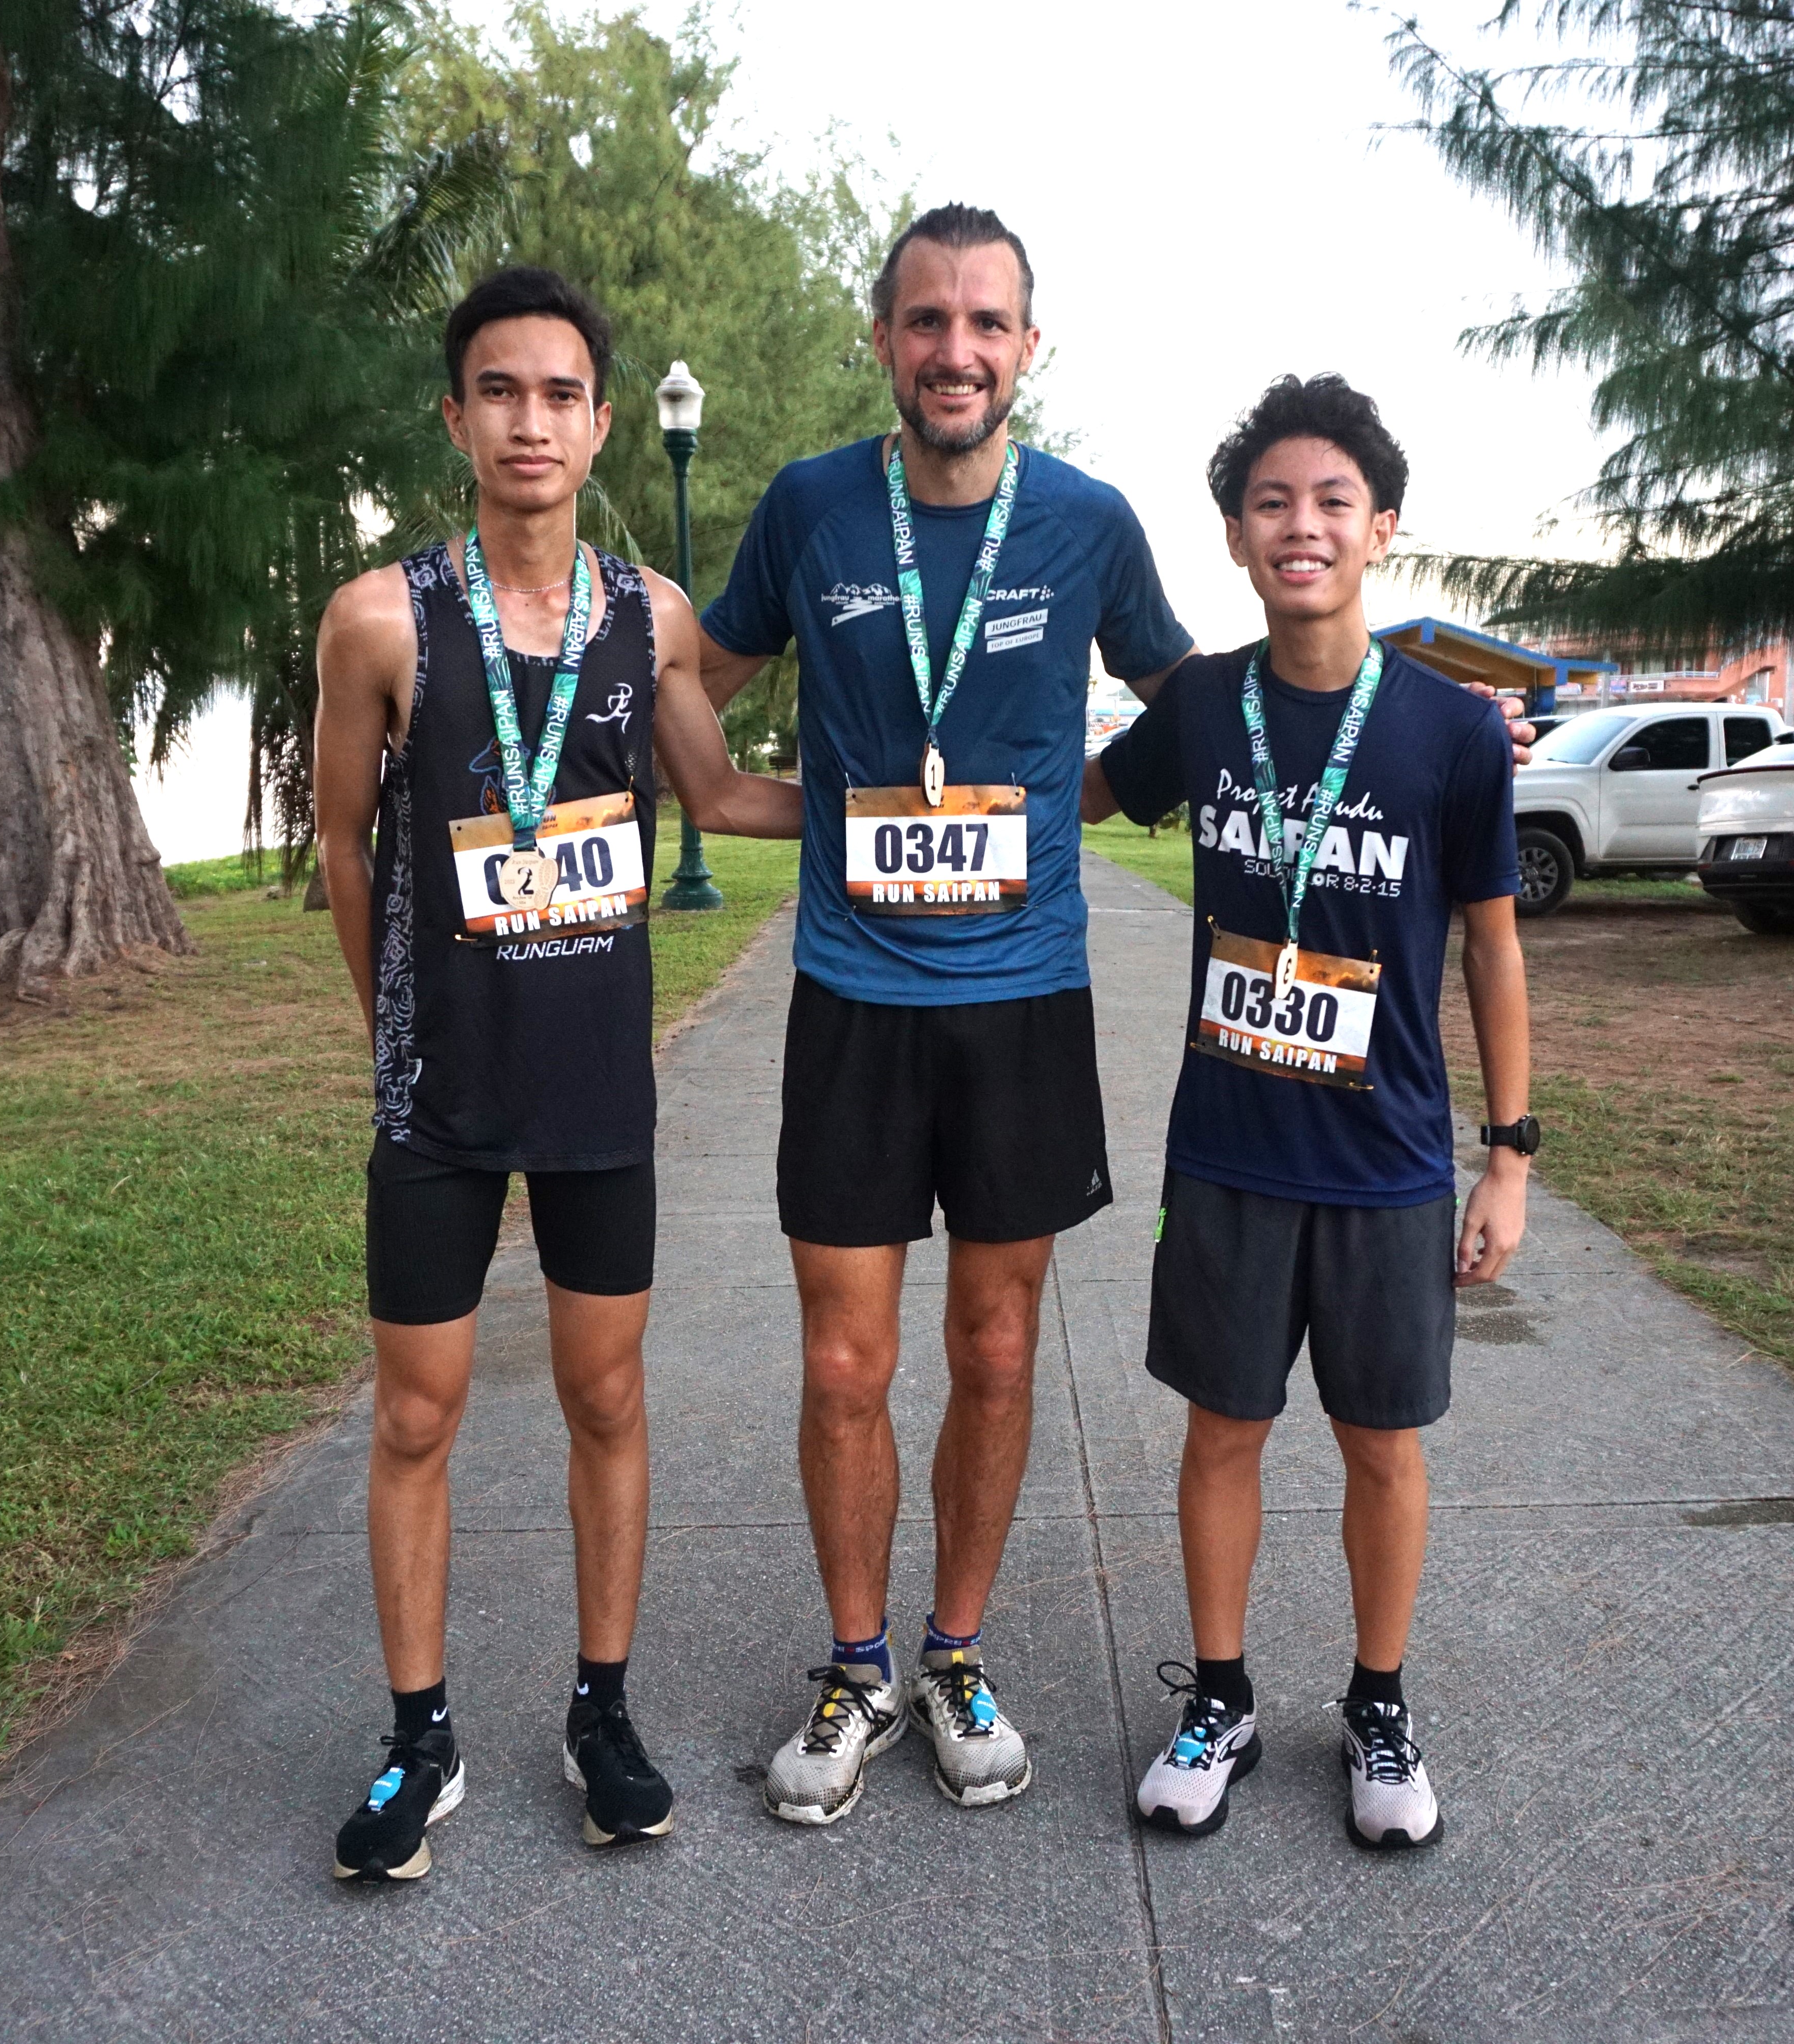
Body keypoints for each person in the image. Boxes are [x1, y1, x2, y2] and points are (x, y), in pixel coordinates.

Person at [696, 206, 1532, 1827]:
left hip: (1026, 1006)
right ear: (885, 339)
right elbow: (684, 668)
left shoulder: (1086, 521)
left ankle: (954, 1655)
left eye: (988, 322)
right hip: (852, 999)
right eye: (927, 319)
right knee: (846, 1362)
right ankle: (858, 1665)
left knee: (998, 1347)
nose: (957, 348)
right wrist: (751, 798)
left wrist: (1413, 714)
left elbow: (1210, 704)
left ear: (1028, 346)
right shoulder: (808, 506)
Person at [313, 266, 802, 1880]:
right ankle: (420, 1739)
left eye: (562, 395)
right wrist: (386, 1020)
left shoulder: (645, 617)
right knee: (416, 1415)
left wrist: (899, 798)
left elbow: (721, 801)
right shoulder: (382, 616)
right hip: (441, 1102)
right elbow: (336, 829)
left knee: (606, 1396)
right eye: (501, 391)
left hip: (601, 1095)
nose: (533, 420)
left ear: (600, 425)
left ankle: (602, 1711)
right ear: (457, 419)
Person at [1083, 374, 1533, 1851]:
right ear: (1233, 533)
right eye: (1273, 501)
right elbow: (1081, 790)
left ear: (1381, 528)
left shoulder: (1453, 735)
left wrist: (1508, 1159)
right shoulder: (1205, 703)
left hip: (1391, 1159)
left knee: (1382, 1445)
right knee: (1224, 1432)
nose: (1303, 525)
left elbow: (1493, 944)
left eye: (1334, 500)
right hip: (1228, 1154)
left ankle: (1380, 1705)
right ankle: (1221, 1699)